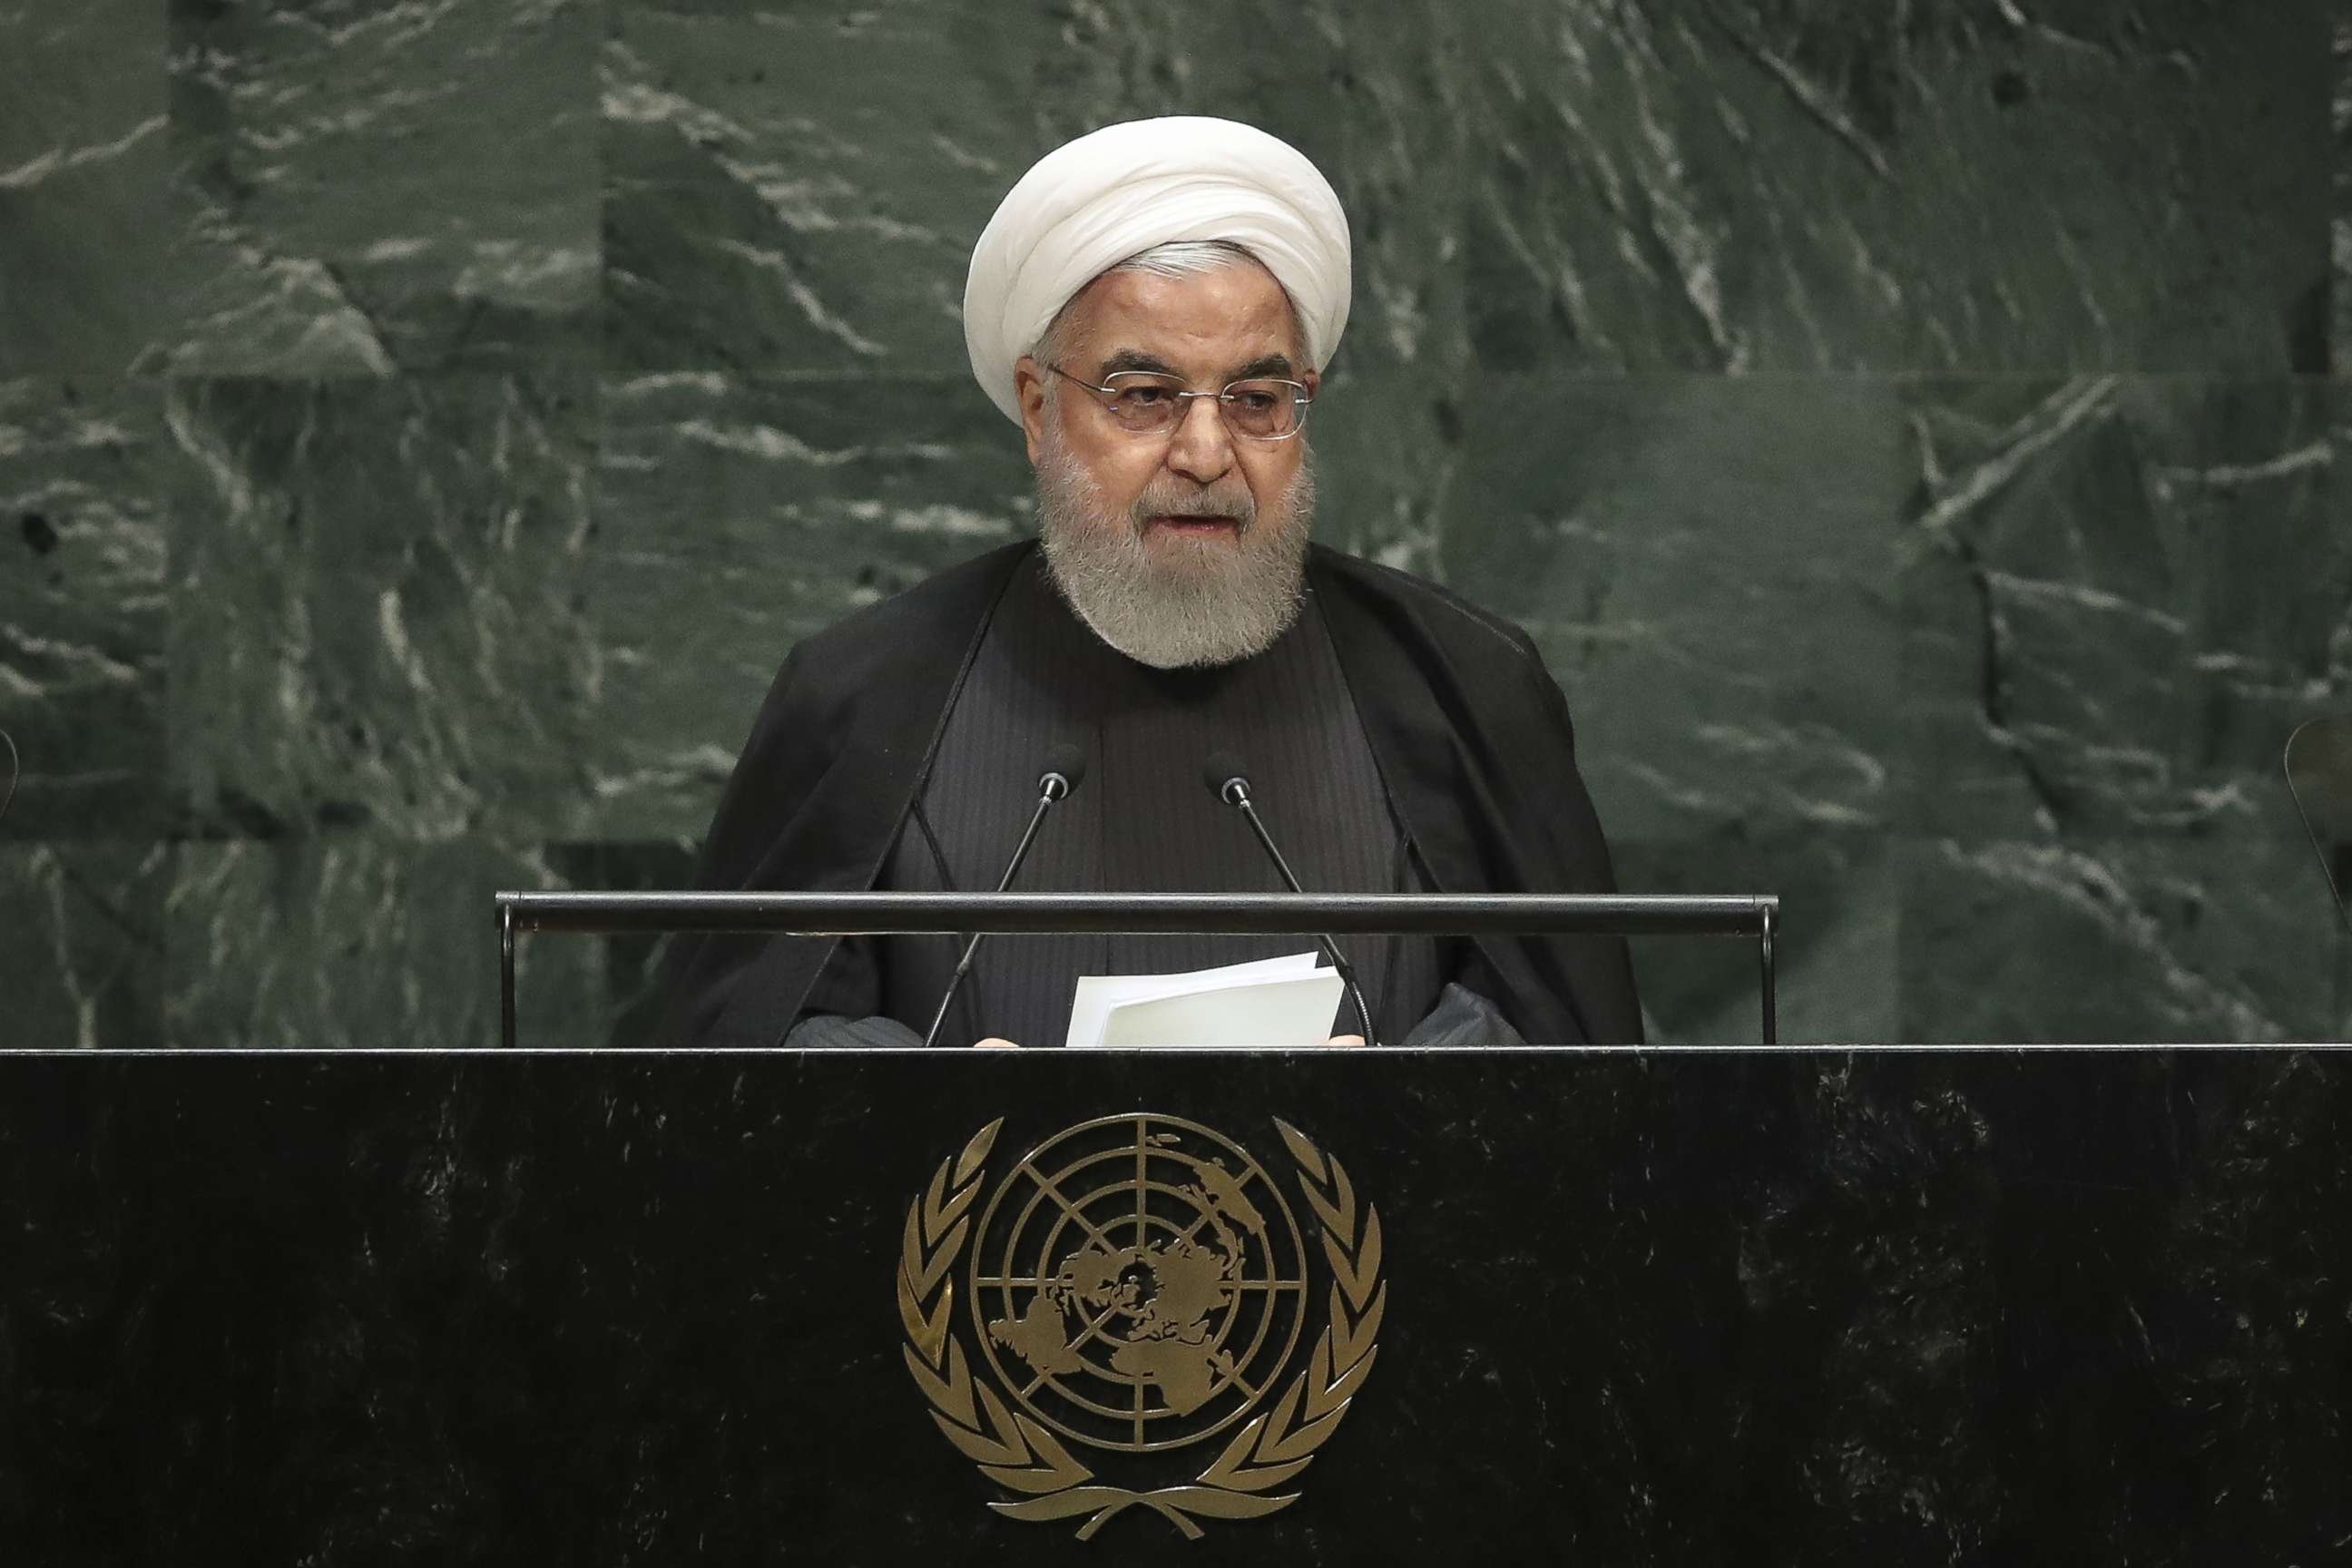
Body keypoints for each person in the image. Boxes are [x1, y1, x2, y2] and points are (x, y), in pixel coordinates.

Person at [661, 116, 1642, 1049]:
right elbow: (738, 1061)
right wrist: (927, 1101)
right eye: (1145, 398)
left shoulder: (1463, 684)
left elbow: (1568, 1047)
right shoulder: (863, 693)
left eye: (1258, 400)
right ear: (1039, 407)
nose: (1208, 453)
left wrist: (1402, 1095)